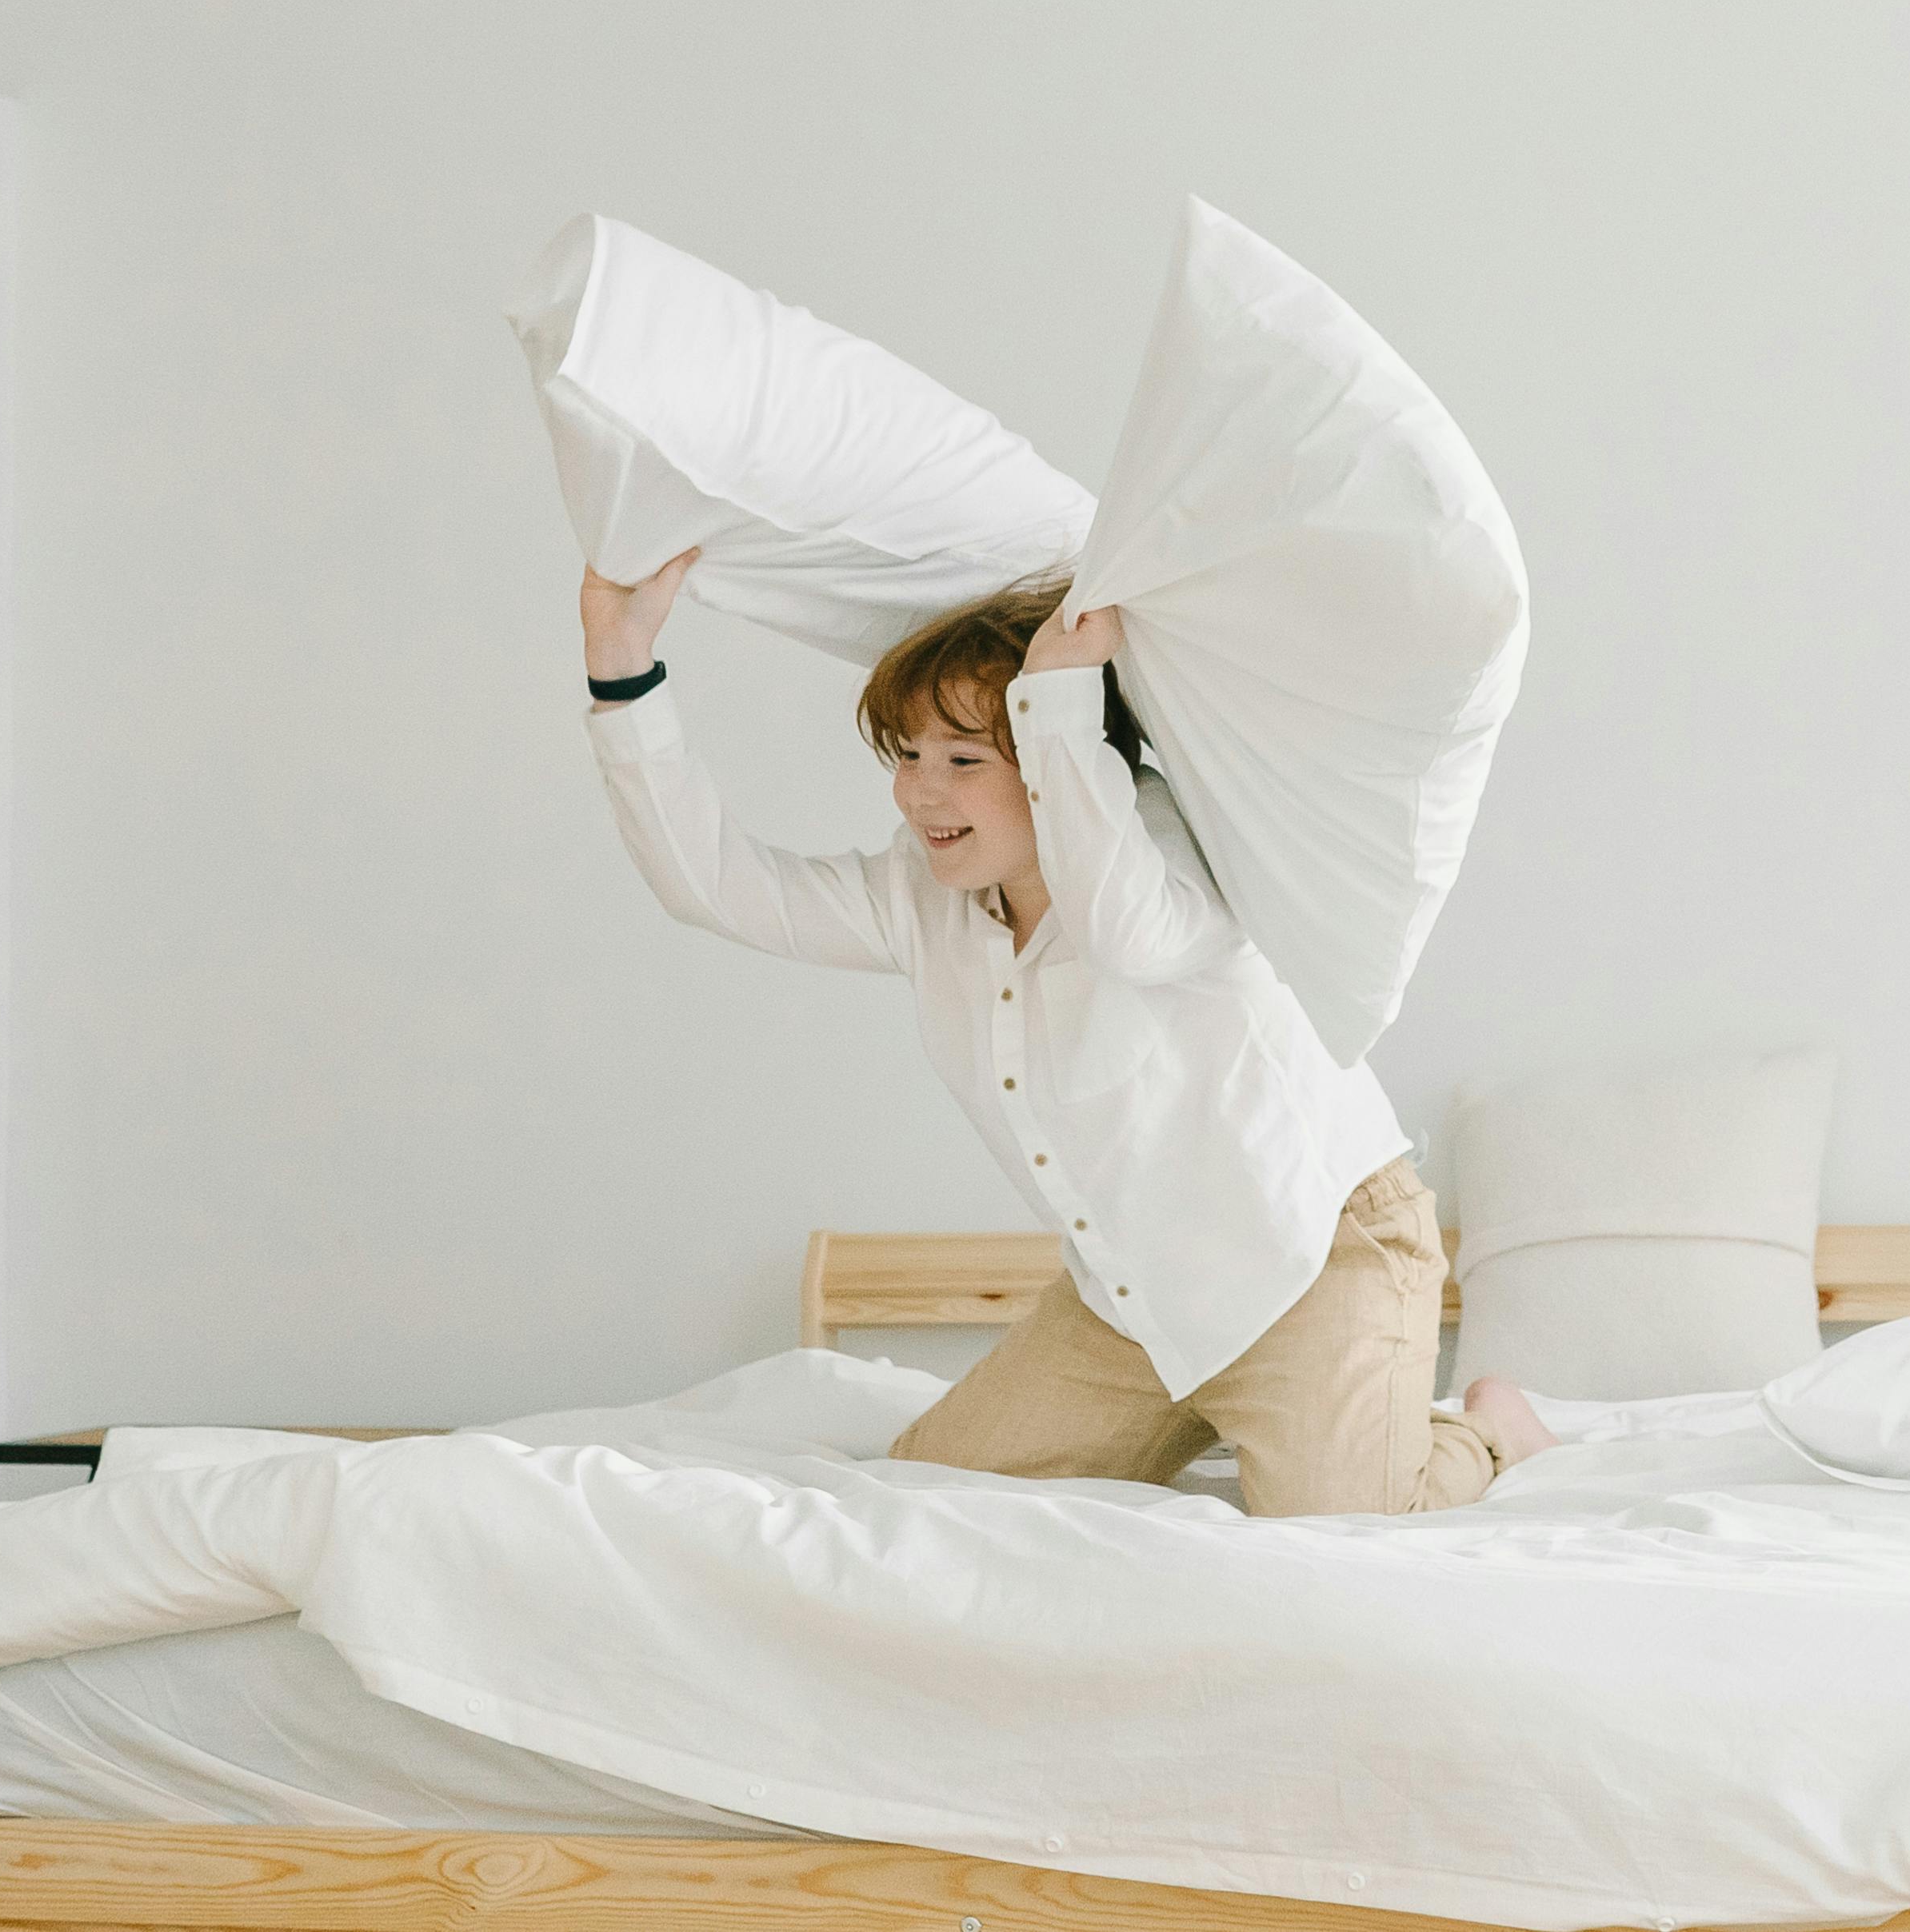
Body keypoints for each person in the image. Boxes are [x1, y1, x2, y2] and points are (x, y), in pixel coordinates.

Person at [577, 546, 1557, 1516]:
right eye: (908, 755)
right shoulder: (924, 897)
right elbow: (715, 884)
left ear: (1062, 752)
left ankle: (1489, 1432)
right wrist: (622, 670)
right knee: (926, 1499)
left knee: (1344, 1533)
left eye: (963, 760)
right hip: (1131, 1307)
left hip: (1315, 1265)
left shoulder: (1185, 847)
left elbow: (1129, 932)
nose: (920, 792)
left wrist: (1059, 696)